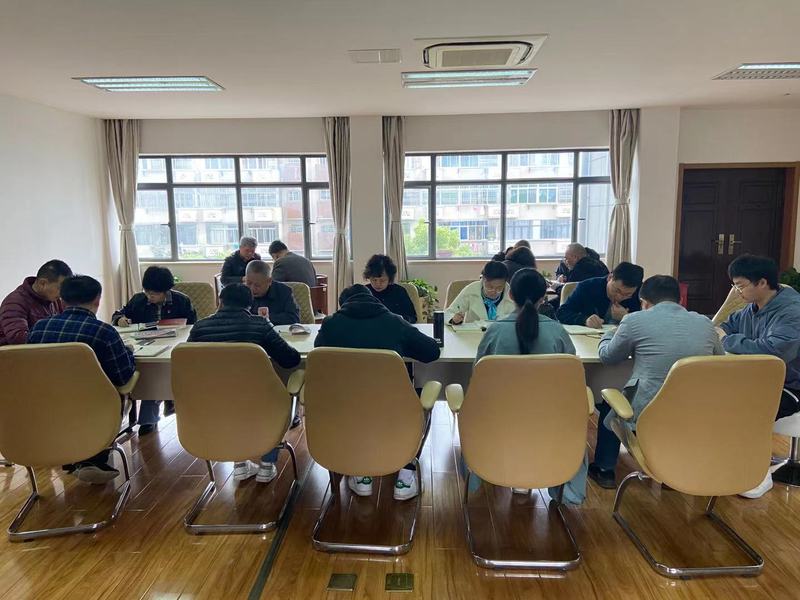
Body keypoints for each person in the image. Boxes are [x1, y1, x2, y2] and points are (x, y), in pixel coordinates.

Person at [591, 275, 723, 489]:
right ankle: (673, 470)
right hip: (694, 409)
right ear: (680, 299)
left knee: (610, 403)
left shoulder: (635, 320)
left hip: (647, 411)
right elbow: (718, 361)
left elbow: (608, 356)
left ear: (644, 302)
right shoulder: (705, 323)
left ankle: (605, 469)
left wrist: (608, 336)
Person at [314, 284, 440, 500]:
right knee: (410, 397)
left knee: (358, 411)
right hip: (391, 407)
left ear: (342, 305)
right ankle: (406, 474)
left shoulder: (330, 324)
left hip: (344, 406)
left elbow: (319, 353)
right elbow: (431, 352)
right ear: (374, 300)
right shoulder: (394, 322)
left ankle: (361, 472)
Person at [476, 268, 586, 504]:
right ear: (543, 297)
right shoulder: (557, 331)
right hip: (548, 418)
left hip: (500, 418)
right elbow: (571, 377)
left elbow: (478, 377)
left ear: (510, 295)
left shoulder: (496, 331)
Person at [188, 284, 302, 483]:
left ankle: (240, 463)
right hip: (256, 398)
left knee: (232, 409)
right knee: (273, 406)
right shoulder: (259, 325)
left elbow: (191, 362)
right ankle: (267, 465)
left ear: (220, 302)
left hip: (214, 399)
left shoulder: (200, 327)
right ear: (250, 305)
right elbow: (290, 360)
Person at [28, 275, 135, 484]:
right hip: (93, 409)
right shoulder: (103, 332)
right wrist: (128, 353)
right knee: (110, 395)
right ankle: (91, 460)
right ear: (97, 300)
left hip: (46, 409)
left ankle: (76, 458)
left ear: (62, 300)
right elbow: (123, 376)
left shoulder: (39, 328)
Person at [719, 254, 800, 498]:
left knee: (749, 409)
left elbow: (774, 351)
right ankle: (725, 465)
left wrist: (729, 340)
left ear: (762, 283)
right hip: (756, 380)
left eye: (740, 286)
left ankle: (758, 475)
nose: (736, 292)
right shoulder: (751, 308)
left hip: (791, 385)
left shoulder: (792, 311)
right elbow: (724, 327)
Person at [112, 266, 197, 433]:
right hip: (146, 345)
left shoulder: (181, 301)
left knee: (164, 373)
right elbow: (119, 314)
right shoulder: (138, 300)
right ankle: (149, 419)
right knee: (151, 375)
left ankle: (166, 407)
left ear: (166, 290)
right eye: (147, 292)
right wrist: (120, 319)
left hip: (174, 345)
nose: (150, 297)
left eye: (155, 294)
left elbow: (193, 326)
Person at [0, 260, 73, 346]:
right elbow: (18, 339)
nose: (63, 294)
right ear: (43, 283)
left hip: (45, 351)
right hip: (18, 353)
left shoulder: (55, 300)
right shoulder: (15, 302)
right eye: (60, 288)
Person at [557, 262, 643, 328]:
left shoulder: (639, 294)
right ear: (610, 277)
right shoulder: (588, 287)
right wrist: (584, 320)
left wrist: (627, 318)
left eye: (627, 294)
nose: (619, 297)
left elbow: (647, 323)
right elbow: (562, 313)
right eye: (617, 290)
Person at [445, 261, 515, 324]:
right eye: (490, 287)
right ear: (483, 279)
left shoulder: (511, 294)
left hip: (501, 333)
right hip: (472, 333)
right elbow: (448, 313)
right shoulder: (471, 289)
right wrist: (454, 319)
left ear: (505, 282)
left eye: (499, 288)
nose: (494, 291)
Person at [363, 254, 417, 323]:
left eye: (382, 280)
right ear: (369, 277)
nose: (378, 284)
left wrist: (400, 318)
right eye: (374, 280)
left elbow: (412, 317)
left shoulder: (399, 292)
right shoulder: (364, 292)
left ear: (389, 279)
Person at [244, 260, 300, 325]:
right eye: (249, 283)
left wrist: (267, 318)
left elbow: (294, 318)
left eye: (257, 285)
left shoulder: (284, 291)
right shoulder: (240, 292)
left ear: (269, 281)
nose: (252, 288)